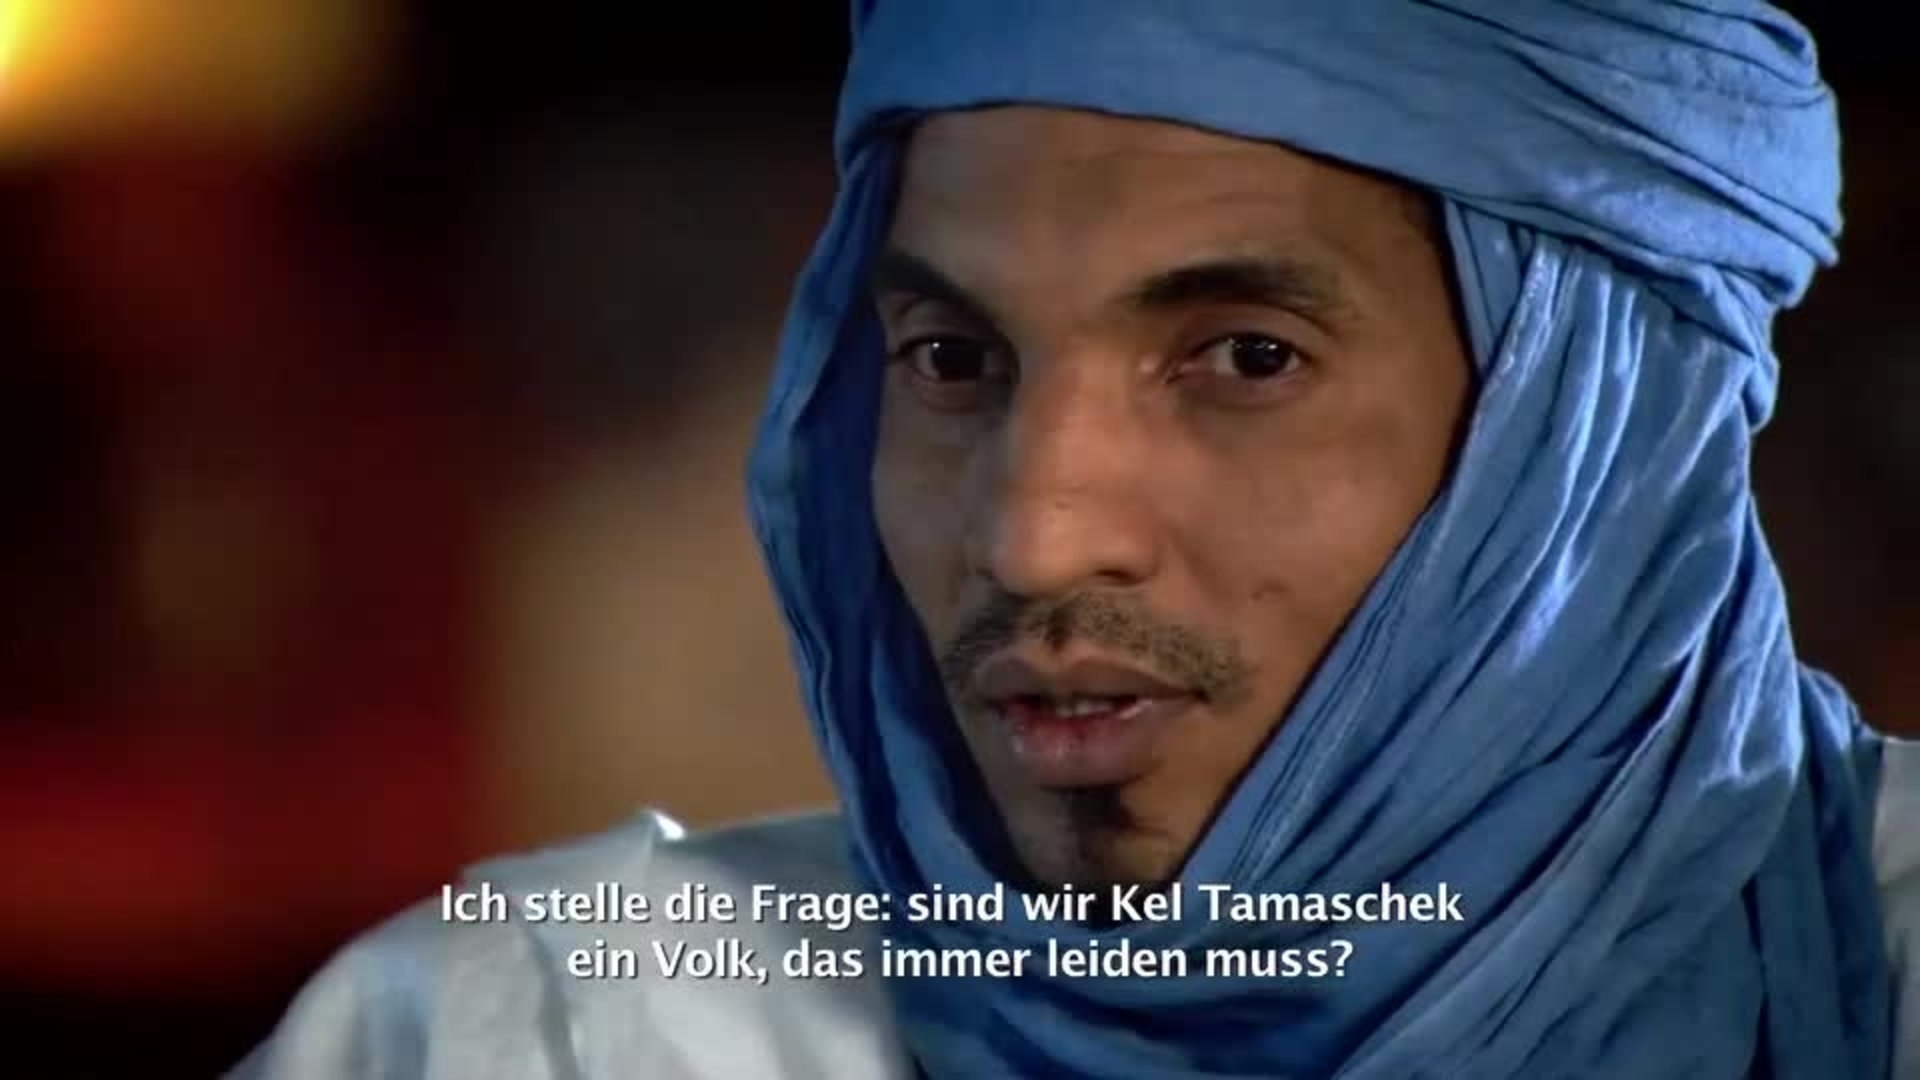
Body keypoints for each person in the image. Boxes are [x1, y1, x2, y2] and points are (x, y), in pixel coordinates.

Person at [234, 3, 1918, 1078]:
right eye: (954, 363)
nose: (1033, 541)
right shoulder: (554, 1032)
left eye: (1245, 360)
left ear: (1601, 431)